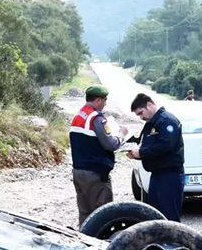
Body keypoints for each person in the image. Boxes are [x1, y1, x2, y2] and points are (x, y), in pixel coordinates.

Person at [69, 85, 128, 224]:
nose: (105, 103)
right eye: (105, 100)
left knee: (85, 213)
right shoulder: (97, 118)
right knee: (103, 215)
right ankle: (100, 243)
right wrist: (121, 135)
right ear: (98, 100)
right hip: (95, 174)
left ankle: (84, 240)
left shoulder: (79, 115)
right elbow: (111, 144)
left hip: (79, 171)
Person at [127, 93, 184, 221]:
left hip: (169, 175)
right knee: (155, 215)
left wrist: (141, 153)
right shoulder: (152, 123)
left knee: (169, 217)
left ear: (149, 104)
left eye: (141, 113)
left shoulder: (167, 120)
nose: (141, 117)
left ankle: (172, 241)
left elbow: (166, 144)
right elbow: (146, 143)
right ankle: (160, 241)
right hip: (157, 175)